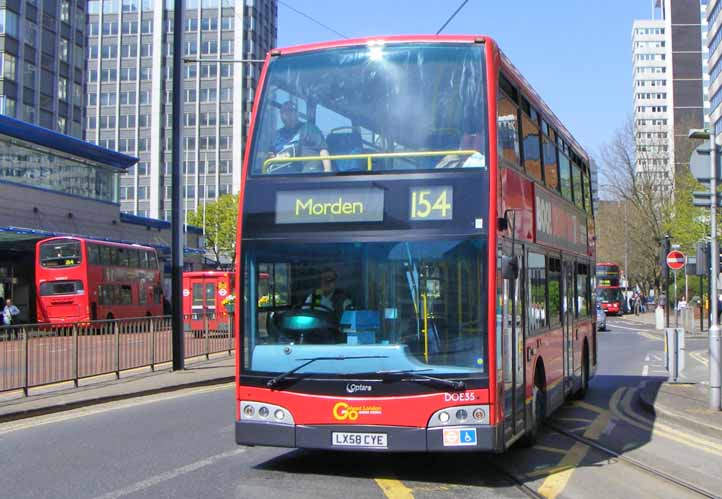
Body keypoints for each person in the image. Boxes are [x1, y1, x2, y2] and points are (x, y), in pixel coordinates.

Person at [268, 101, 332, 173]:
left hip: (308, 174)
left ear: (297, 113)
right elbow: (270, 156)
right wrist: (275, 158)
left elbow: (323, 150)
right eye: (283, 112)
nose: (287, 114)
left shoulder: (309, 129)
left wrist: (327, 170)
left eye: (291, 111)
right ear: (281, 115)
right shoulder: (277, 135)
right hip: (282, 175)